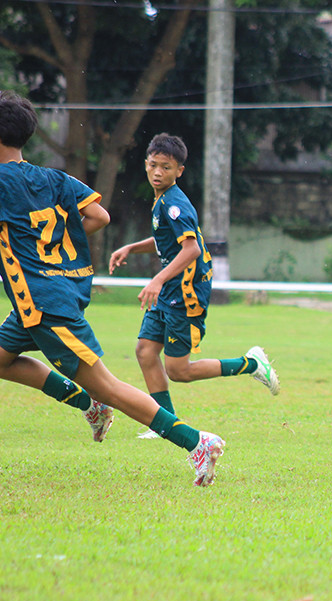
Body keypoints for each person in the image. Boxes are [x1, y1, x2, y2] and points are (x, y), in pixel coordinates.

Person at [0, 91, 224, 485]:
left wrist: (31, 252)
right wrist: (49, 246)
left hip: (44, 301)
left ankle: (196, 441)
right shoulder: (54, 177)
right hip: (52, 293)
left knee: (109, 386)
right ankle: (90, 404)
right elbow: (97, 215)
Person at [109, 133, 279, 440]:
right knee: (146, 351)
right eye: (153, 165)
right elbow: (168, 243)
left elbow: (191, 250)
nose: (157, 172)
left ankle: (251, 364)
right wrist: (131, 248)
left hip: (185, 294)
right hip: (170, 291)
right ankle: (166, 424)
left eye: (166, 167)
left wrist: (157, 280)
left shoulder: (175, 205)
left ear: (179, 171)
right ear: (146, 164)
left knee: (179, 371)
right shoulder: (162, 201)